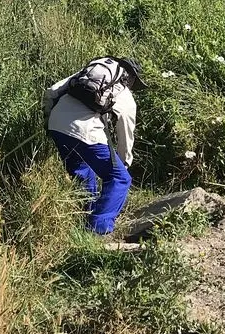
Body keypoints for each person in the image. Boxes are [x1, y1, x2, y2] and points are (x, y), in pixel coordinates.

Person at [41, 56, 148, 234]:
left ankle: (85, 216)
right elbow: (125, 135)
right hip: (85, 133)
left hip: (56, 125)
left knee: (82, 171)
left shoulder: (86, 75)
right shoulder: (125, 94)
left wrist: (49, 121)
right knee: (120, 178)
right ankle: (98, 228)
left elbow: (51, 92)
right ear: (131, 78)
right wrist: (124, 163)